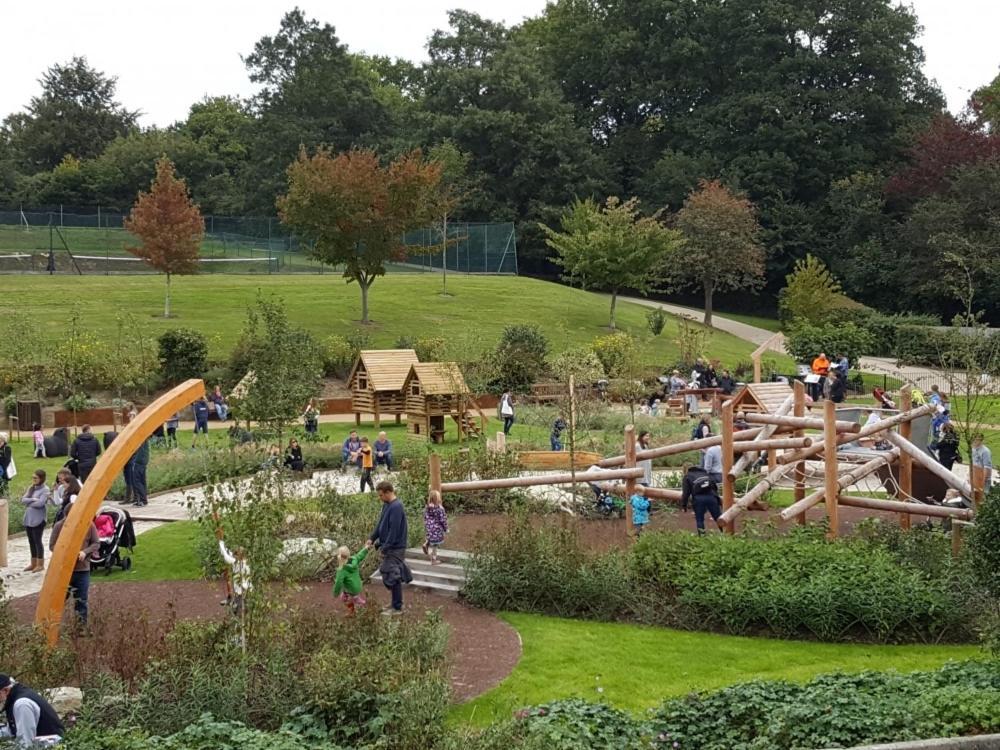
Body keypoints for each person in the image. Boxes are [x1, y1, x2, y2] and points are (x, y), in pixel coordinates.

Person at [48, 500, 101, 625]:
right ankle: (52, 626)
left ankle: (81, 627)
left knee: (81, 600)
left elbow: (96, 543)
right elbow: (52, 546)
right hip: (64, 571)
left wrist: (85, 552)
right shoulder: (59, 526)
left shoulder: (89, 525)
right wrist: (65, 553)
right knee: (59, 600)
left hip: (82, 570)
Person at [368, 480, 411, 614]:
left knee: (391, 573)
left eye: (381, 495)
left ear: (388, 492)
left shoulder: (397, 507)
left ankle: (397, 607)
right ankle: (395, 603)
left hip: (396, 546)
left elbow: (394, 530)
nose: (380, 498)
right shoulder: (387, 505)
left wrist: (385, 547)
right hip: (388, 545)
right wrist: (372, 538)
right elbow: (380, 523)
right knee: (391, 573)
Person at [0, 673, 65, 747]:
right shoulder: (16, 697)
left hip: (52, 746)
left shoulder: (22, 704)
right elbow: (12, 731)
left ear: (5, 690)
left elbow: (25, 743)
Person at [20, 470, 51, 572]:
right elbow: (23, 500)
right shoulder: (31, 488)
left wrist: (29, 502)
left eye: (35, 478)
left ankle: (40, 564)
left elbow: (41, 504)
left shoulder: (45, 490)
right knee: (31, 541)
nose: (33, 480)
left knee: (37, 541)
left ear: (41, 478)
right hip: (29, 518)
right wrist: (33, 500)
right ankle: (33, 563)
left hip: (39, 519)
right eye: (33, 478)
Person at [681, 463, 725, 534]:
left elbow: (686, 493)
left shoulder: (687, 476)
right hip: (711, 496)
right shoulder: (705, 473)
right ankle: (726, 534)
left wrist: (684, 505)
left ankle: (702, 538)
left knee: (700, 520)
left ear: (684, 470)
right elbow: (714, 485)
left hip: (698, 499)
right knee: (718, 518)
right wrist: (717, 498)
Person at [218, 539, 251, 615]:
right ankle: (242, 611)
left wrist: (221, 543)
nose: (235, 555)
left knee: (238, 604)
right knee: (243, 602)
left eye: (237, 553)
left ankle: (237, 613)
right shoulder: (246, 561)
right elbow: (229, 553)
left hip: (241, 588)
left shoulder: (236, 562)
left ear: (240, 555)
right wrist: (222, 544)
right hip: (247, 587)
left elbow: (226, 556)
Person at [333, 544, 369, 614]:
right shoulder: (354, 559)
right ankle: (355, 602)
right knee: (346, 596)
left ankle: (359, 604)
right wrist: (366, 548)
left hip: (350, 590)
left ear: (339, 557)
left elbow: (338, 582)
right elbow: (360, 555)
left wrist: (335, 593)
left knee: (344, 599)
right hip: (358, 586)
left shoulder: (341, 570)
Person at [422, 490, 448, 564]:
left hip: (429, 528)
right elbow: (443, 520)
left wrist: (427, 525)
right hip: (437, 529)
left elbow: (425, 517)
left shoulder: (427, 507)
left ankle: (426, 543)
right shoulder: (440, 508)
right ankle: (434, 560)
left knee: (431, 539)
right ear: (437, 498)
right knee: (435, 545)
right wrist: (446, 528)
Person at [130, 437, 149, 507]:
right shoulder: (145, 438)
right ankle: (142, 500)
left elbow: (134, 449)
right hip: (143, 461)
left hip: (138, 462)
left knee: (137, 481)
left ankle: (143, 500)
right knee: (142, 481)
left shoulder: (140, 438)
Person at [0, 431, 13, 498]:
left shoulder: (7, 448)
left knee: (4, 487)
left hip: (4, 472)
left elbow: (7, 460)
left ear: (3, 440)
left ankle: (6, 500)